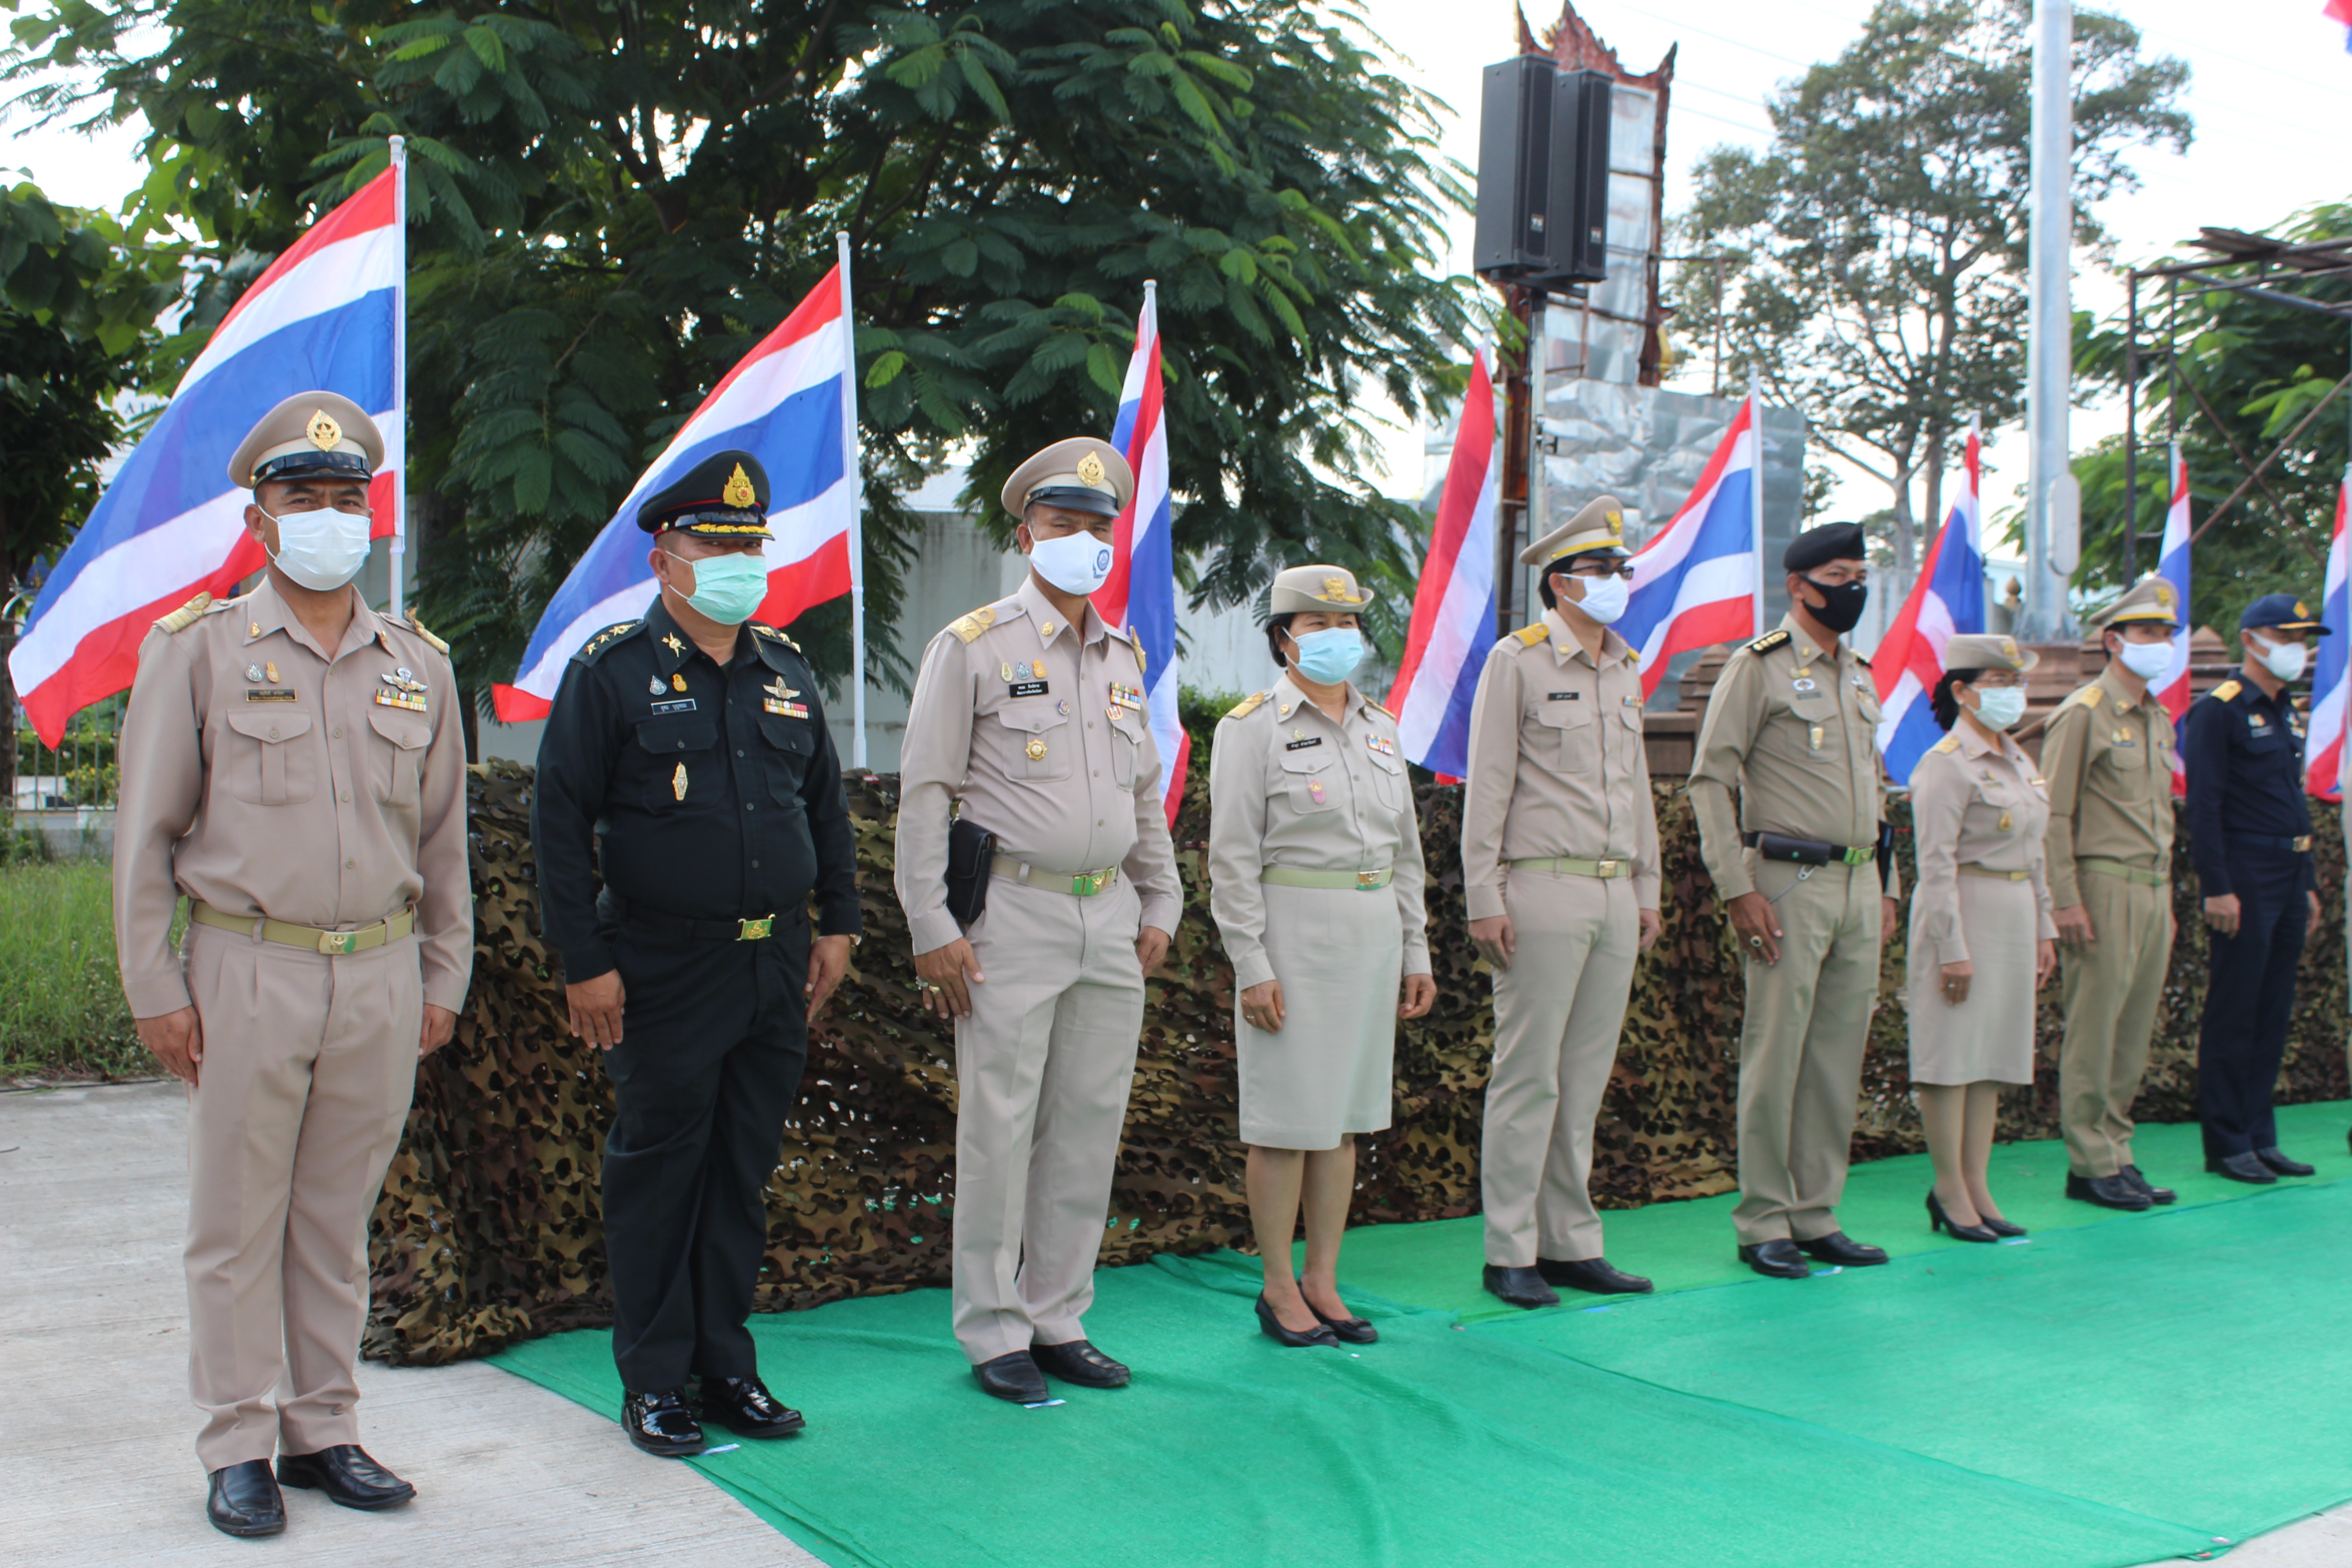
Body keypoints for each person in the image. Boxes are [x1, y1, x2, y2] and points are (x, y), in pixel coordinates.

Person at [112, 392, 471, 1537]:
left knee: (335, 1217)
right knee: (236, 1223)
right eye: (303, 498)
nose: (329, 517)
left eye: (346, 498)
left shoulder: (418, 664)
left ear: (372, 514)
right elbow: (147, 837)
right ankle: (237, 1443)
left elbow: (443, 844)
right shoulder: (198, 651)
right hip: (246, 967)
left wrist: (444, 977)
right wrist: (155, 988)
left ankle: (324, 1430)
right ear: (259, 521)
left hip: (379, 971)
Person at [532, 449, 861, 1458]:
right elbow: (558, 824)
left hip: (775, 964)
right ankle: (655, 1379)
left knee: (739, 1174)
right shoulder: (612, 672)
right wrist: (584, 963)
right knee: (660, 1174)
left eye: (749, 545)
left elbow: (826, 809)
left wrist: (839, 923)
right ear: (665, 559)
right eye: (714, 546)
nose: (737, 563)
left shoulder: (786, 671)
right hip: (664, 967)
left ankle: (726, 1366)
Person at [894, 436, 1182, 1403]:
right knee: (1000, 1128)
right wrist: (931, 922)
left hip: (1109, 914)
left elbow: (1144, 794)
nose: (1084, 541)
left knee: (1088, 1127)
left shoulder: (1123, 654)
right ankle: (993, 1329)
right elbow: (926, 794)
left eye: (1099, 527)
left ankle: (1059, 1316)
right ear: (1026, 535)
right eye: (1064, 524)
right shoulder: (974, 646)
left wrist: (1163, 896)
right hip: (1010, 915)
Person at [1207, 566, 1436, 1346]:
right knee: (1286, 1123)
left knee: (1344, 1122)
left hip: (1372, 933)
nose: (1338, 637)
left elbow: (1406, 854)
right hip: (1294, 934)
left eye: (1347, 624)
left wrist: (1416, 950)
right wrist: (1252, 965)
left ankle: (1323, 1280)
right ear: (1283, 639)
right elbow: (1231, 861)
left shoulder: (1382, 727)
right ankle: (1278, 1287)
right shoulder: (1251, 729)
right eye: (1317, 625)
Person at [1460, 497, 1661, 1310]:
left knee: (1583, 1079)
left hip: (1613, 888)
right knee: (1528, 1076)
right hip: (1541, 885)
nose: (1615, 580)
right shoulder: (1520, 660)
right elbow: (1489, 783)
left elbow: (1638, 789)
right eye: (1599, 569)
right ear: (1560, 582)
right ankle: (1510, 1249)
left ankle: (1571, 1242)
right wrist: (1483, 895)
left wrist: (1647, 886)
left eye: (1620, 567)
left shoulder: (1626, 666)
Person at [1690, 521, 1900, 1280]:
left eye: (1860, 576)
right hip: (1789, 882)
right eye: (1838, 576)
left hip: (1858, 880)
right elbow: (1709, 780)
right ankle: (1763, 1221)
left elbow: (1877, 789)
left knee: (1837, 1058)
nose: (1853, 589)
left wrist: (1888, 886)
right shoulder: (1759, 667)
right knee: (1776, 1055)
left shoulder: (1861, 674)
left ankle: (1816, 1213)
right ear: (1798, 586)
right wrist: (1737, 887)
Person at [1905, 634, 2057, 1243]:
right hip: (1965, 910)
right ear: (1963, 692)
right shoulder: (1946, 762)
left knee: (1991, 1058)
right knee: (1951, 1058)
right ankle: (1948, 1187)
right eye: (1998, 683)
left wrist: (2044, 928)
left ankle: (1977, 1184)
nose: (2012, 693)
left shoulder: (2018, 758)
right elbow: (1935, 863)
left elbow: (2036, 853)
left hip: (2014, 915)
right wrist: (1952, 949)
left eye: (2016, 682)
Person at [2042, 575, 2183, 1213]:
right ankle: (2089, 1161)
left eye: (2166, 633)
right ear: (2114, 640)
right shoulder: (2085, 712)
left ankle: (2118, 1151)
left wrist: (2166, 895)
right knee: (2095, 1029)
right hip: (2102, 885)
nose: (2161, 643)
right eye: (2148, 632)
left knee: (2133, 1032)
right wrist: (2064, 898)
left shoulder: (2156, 716)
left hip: (2152, 887)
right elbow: (2054, 814)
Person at [2181, 593, 2329, 1184]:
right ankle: (2227, 1141)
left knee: (2273, 1009)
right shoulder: (2219, 709)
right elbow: (2204, 806)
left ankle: (2261, 1135)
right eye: (2286, 637)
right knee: (2236, 1008)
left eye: (2303, 639)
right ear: (2251, 640)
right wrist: (2217, 886)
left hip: (2288, 871)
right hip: (2244, 873)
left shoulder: (2286, 709)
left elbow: (2292, 798)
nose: (2298, 648)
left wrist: (2308, 881)